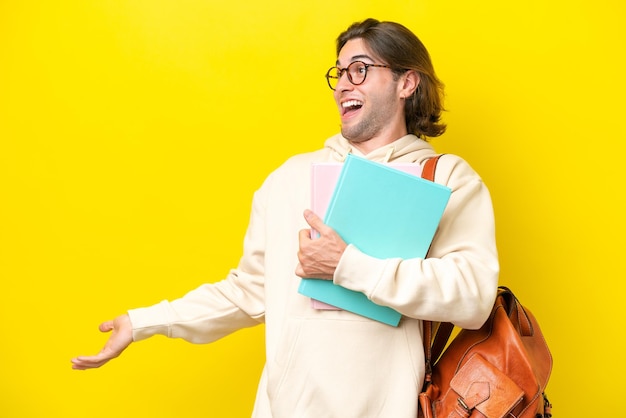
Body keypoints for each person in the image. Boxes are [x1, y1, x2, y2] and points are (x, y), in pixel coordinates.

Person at [72, 18, 499, 418]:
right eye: (339, 73)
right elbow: (247, 292)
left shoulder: (446, 179)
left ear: (407, 82)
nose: (342, 85)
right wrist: (144, 322)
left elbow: (473, 297)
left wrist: (348, 266)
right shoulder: (289, 178)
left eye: (360, 69)